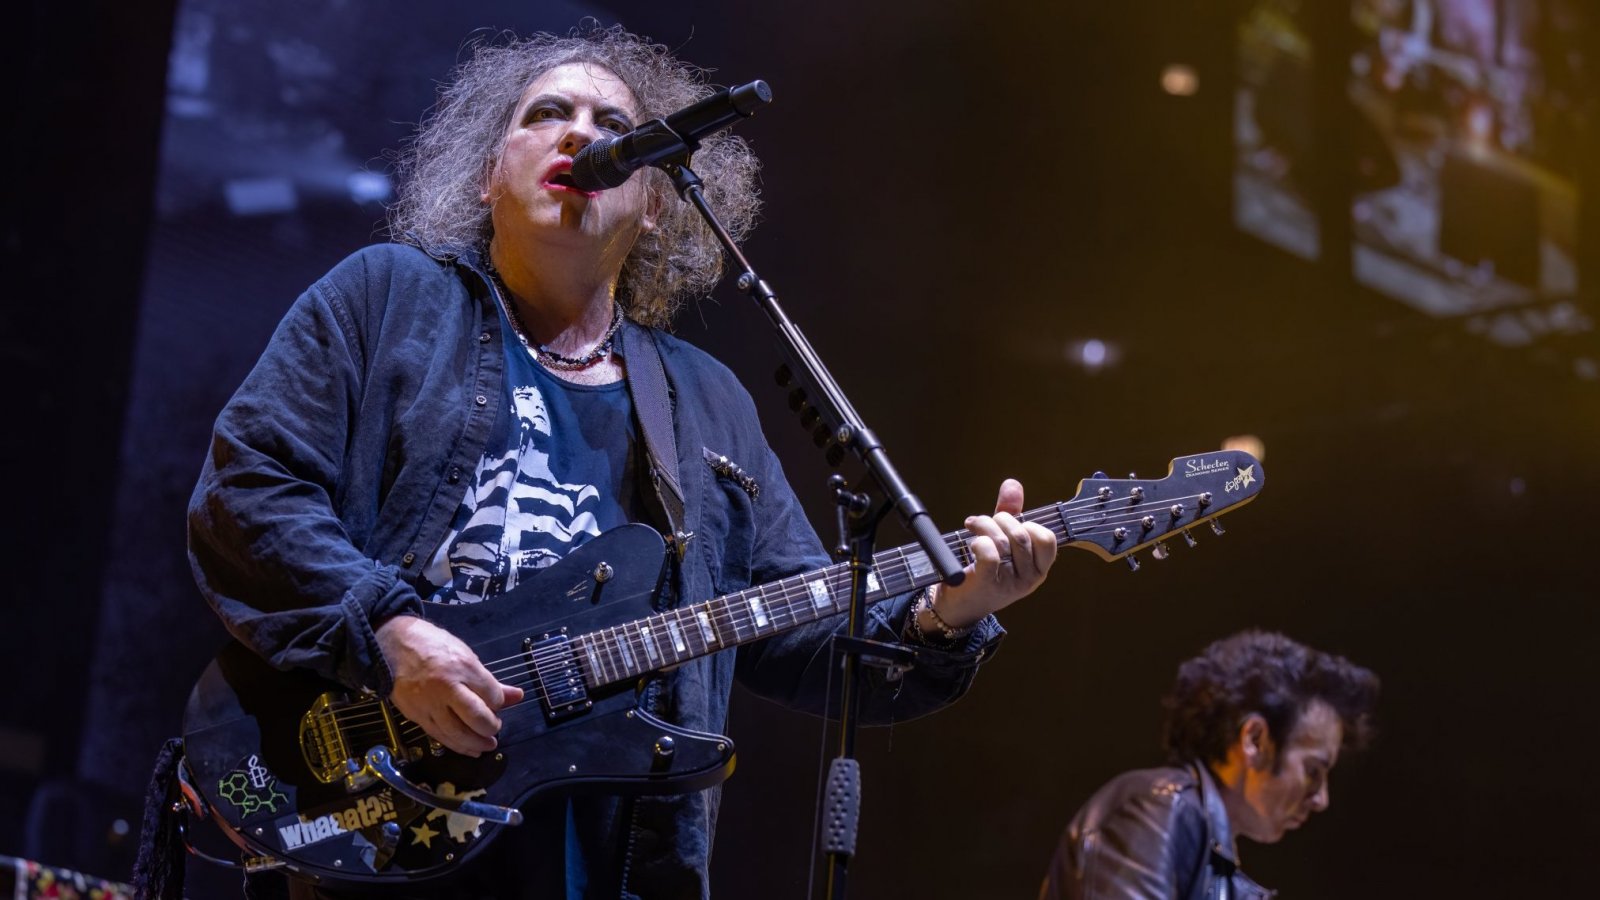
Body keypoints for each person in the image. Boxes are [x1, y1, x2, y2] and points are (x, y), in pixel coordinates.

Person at [185, 23, 1058, 900]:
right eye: (548, 113)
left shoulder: (706, 402)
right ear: (488, 174)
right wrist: (391, 634)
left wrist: (950, 612)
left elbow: (798, 631)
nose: (581, 134)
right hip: (384, 809)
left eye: (612, 123)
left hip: (612, 861)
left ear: (653, 203)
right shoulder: (388, 299)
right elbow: (248, 490)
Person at [1039, 630, 1379, 900]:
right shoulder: (1159, 808)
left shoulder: (1206, 851)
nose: (1321, 800)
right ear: (1255, 740)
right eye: (1313, 771)